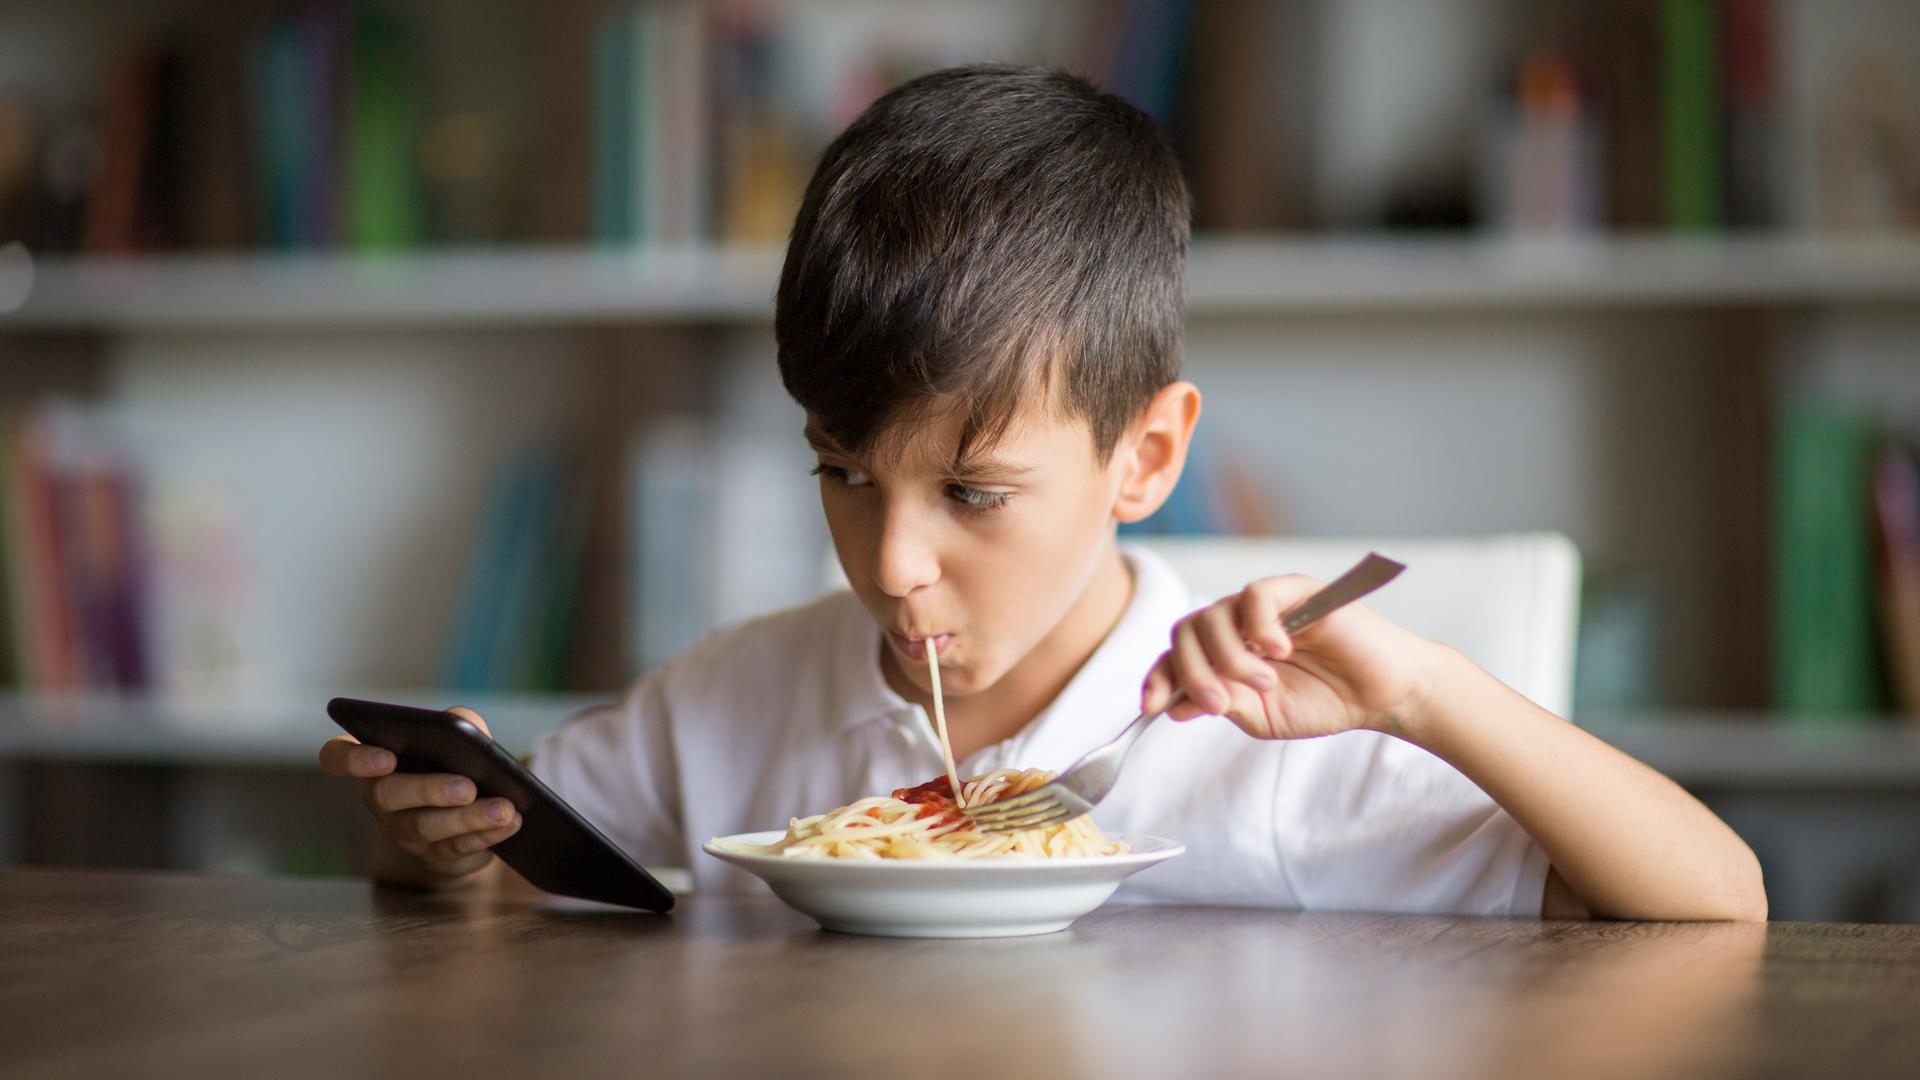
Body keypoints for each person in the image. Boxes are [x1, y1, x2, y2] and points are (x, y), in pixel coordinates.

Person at [319, 65, 1764, 920]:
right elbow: (516, 873)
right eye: (841, 471)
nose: (890, 563)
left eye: (971, 492)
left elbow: (1718, 906)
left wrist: (1427, 696)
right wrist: (432, 850)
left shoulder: (1259, 746)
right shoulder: (739, 704)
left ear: (1144, 456)